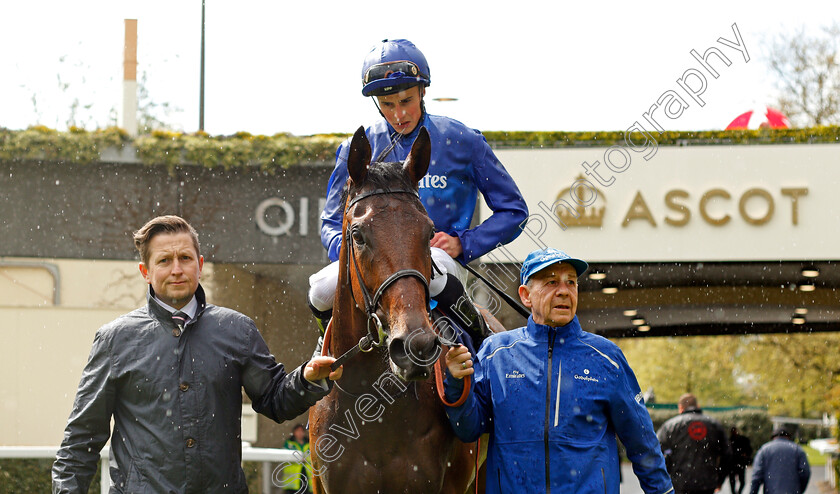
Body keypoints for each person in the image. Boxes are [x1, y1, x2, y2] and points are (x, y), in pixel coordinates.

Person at [52, 215, 343, 493]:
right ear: (146, 272)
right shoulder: (116, 340)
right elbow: (81, 440)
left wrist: (307, 378)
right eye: (164, 260)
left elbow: (276, 401)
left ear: (200, 265)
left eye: (185, 258)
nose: (176, 269)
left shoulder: (236, 330)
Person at [308, 38, 528, 350]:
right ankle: (326, 347)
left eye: (406, 100)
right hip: (373, 264)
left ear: (423, 91)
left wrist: (464, 243)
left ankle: (484, 347)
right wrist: (352, 258)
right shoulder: (354, 149)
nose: (398, 114)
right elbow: (331, 222)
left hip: (436, 258)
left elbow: (515, 212)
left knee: (437, 279)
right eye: (387, 105)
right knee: (319, 291)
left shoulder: (462, 140)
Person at [443, 247, 674, 493]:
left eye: (571, 283)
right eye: (551, 282)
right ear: (525, 295)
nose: (564, 290)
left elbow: (642, 444)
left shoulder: (607, 358)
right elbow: (468, 430)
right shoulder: (495, 353)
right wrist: (456, 382)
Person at [656, 393, 729, 494]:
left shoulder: (670, 426)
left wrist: (667, 476)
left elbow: (656, 452)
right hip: (707, 484)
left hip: (679, 484)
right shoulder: (714, 425)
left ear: (680, 408)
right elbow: (727, 455)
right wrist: (720, 480)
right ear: (698, 406)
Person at [748, 426, 810, 494]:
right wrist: (799, 489)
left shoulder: (764, 450)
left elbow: (757, 475)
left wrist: (753, 492)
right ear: (788, 437)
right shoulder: (798, 450)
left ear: (773, 437)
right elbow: (805, 472)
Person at [280, 424, 313, 494]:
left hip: (306, 476)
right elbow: (286, 456)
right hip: (293, 480)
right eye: (298, 431)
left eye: (302, 431)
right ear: (294, 432)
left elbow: (313, 457)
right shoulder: (289, 443)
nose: (300, 433)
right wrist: (300, 458)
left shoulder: (309, 443)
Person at [728, 427, 753, 494]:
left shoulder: (730, 441)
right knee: (739, 480)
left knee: (735, 480)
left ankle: (736, 492)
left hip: (734, 463)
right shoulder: (741, 439)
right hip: (738, 462)